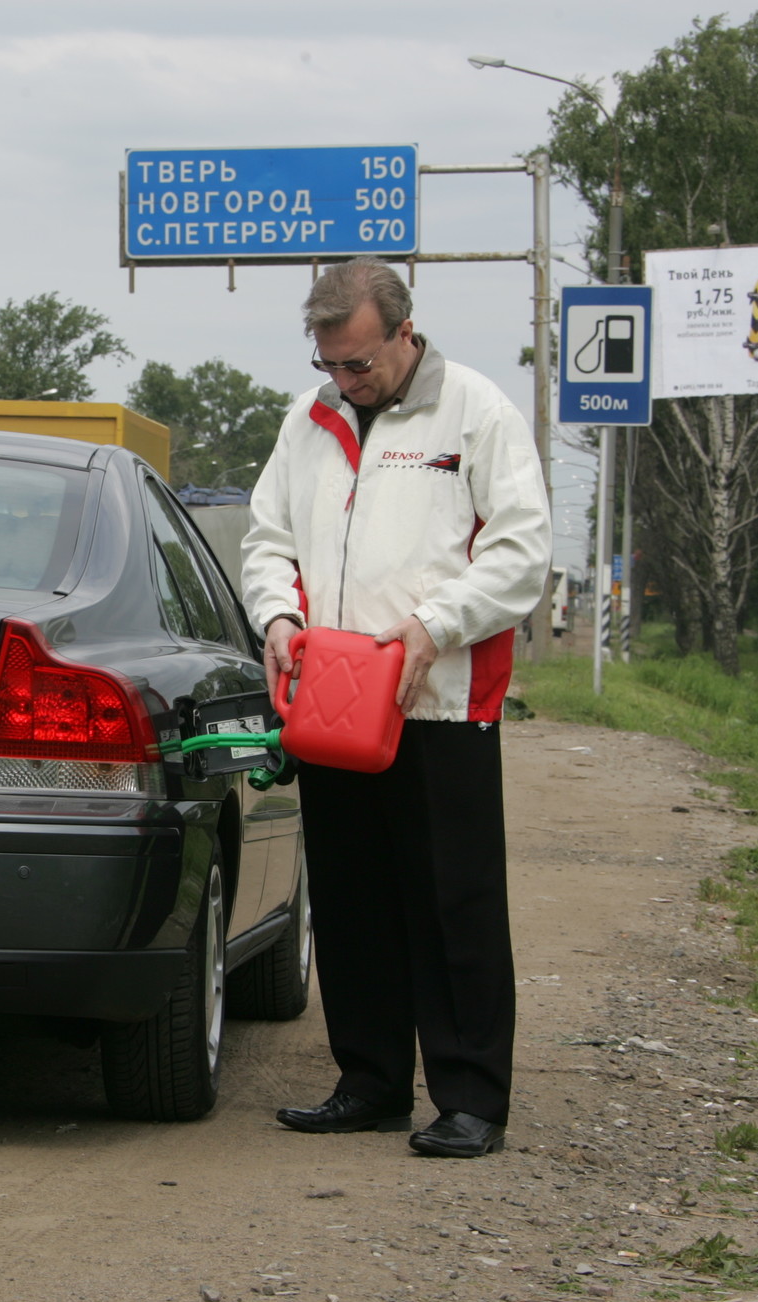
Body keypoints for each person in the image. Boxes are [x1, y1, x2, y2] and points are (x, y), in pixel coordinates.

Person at [240, 257, 550, 1159]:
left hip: (440, 704)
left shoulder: (479, 414)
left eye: (360, 364)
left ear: (404, 333)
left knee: (453, 901)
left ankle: (469, 1097)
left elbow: (522, 554)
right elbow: (269, 538)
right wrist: (279, 615)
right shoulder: (308, 423)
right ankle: (370, 1080)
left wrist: (434, 624)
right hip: (333, 705)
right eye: (329, 364)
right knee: (350, 898)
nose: (345, 381)